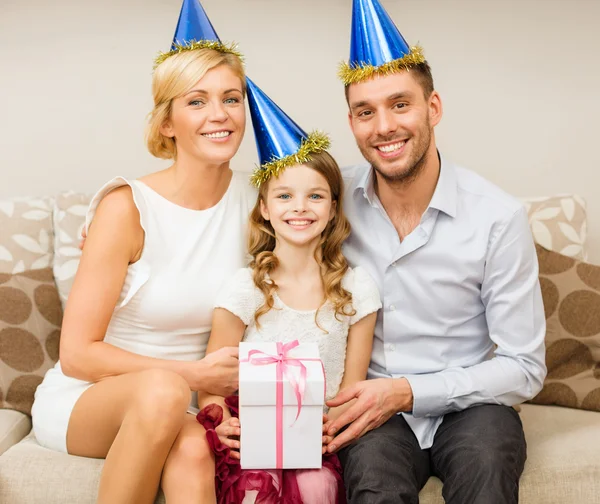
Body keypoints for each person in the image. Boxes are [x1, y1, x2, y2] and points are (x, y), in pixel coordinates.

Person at [31, 2, 255, 503]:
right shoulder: (125, 207)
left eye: (231, 98)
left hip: (190, 402)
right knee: (162, 391)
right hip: (92, 397)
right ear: (168, 122)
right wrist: (193, 377)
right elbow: (77, 354)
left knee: (196, 449)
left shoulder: (262, 202)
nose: (219, 115)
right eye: (196, 101)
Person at [324, 1, 547, 503]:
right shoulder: (327, 203)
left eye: (400, 104)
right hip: (370, 404)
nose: (383, 127)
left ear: (434, 108)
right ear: (353, 122)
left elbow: (525, 366)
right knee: (372, 486)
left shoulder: (497, 216)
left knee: (488, 470)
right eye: (366, 112)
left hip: (474, 405)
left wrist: (408, 391)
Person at [195, 79, 382, 503]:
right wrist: (222, 419)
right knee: (256, 487)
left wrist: (329, 428)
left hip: (318, 432)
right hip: (253, 428)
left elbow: (352, 388)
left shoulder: (356, 289)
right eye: (284, 196)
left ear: (333, 208)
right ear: (264, 207)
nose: (300, 207)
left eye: (315, 196)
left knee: (318, 486)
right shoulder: (244, 288)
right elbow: (212, 383)